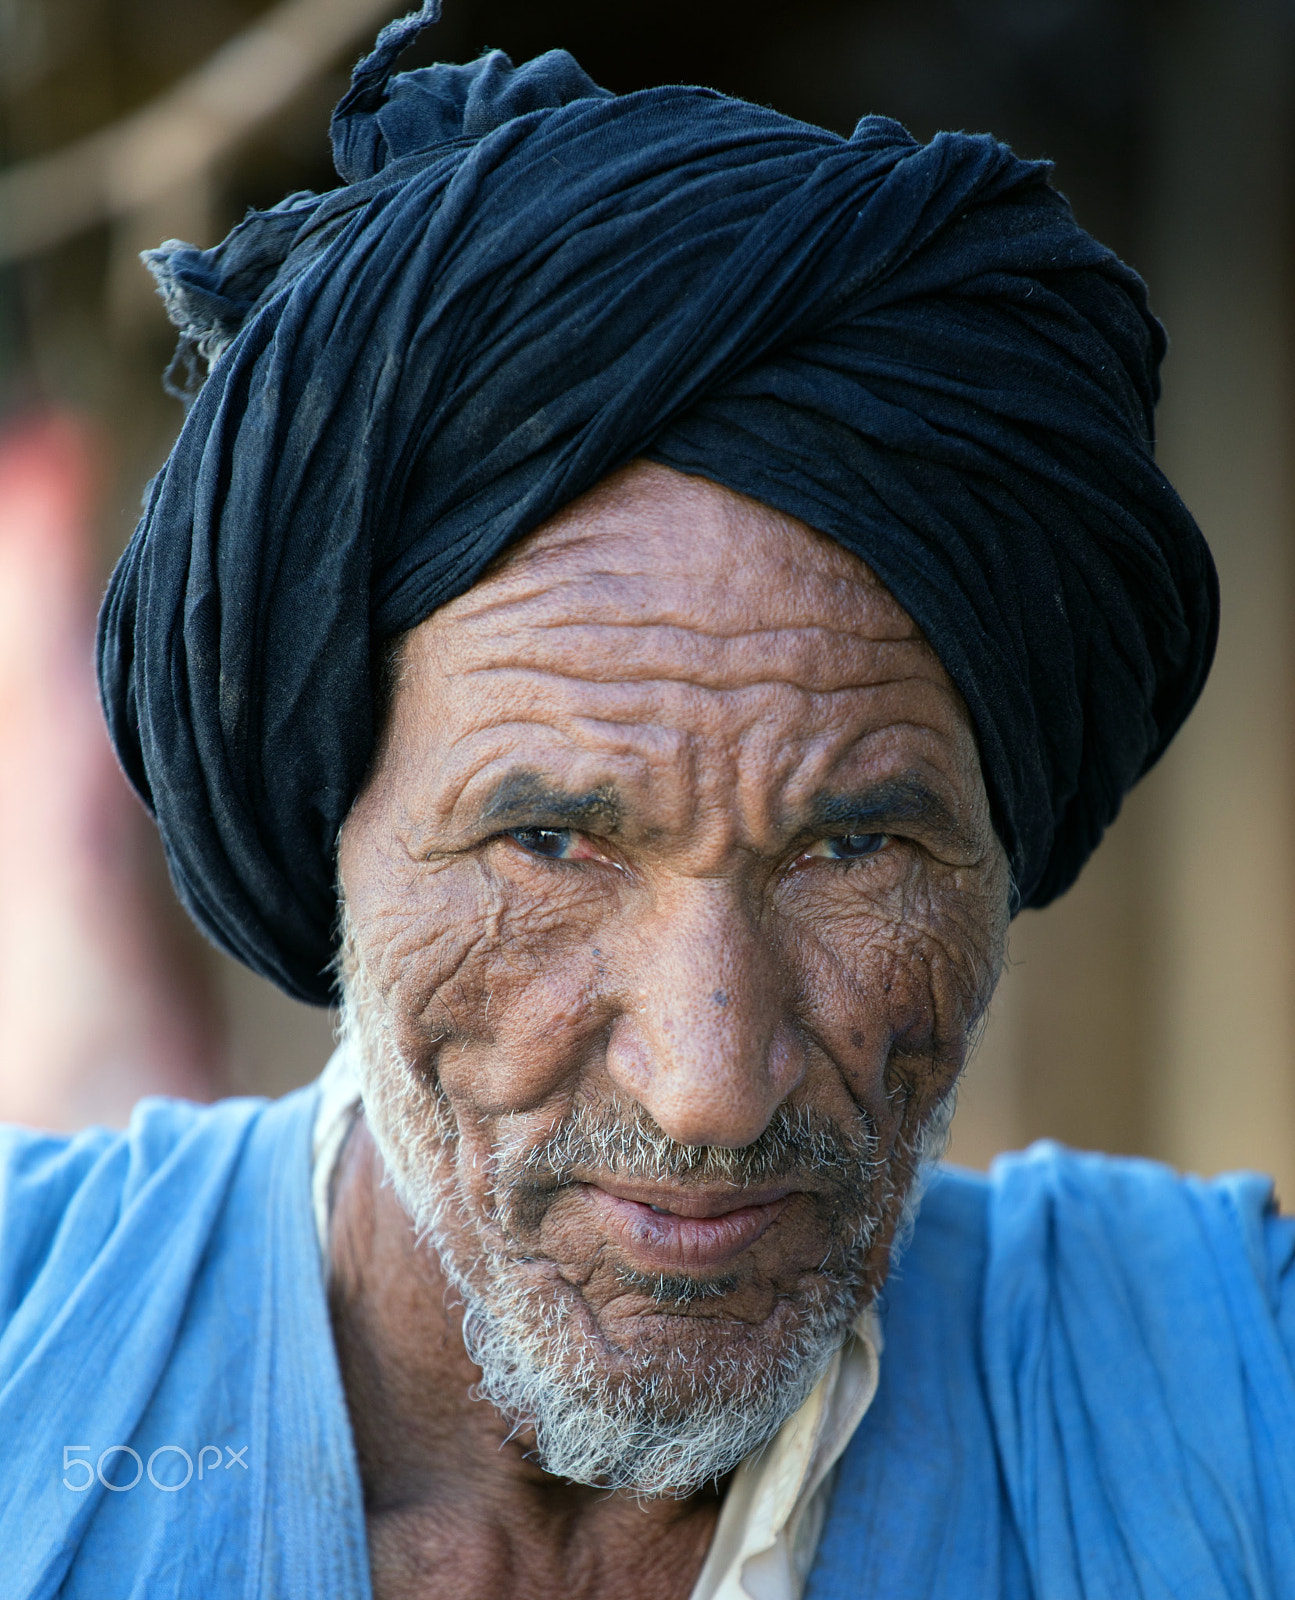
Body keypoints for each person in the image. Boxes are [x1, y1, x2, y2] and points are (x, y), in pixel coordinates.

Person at [3, 4, 1291, 1597]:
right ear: (324, 814)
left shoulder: (1238, 1400)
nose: (709, 1089)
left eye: (855, 848)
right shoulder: (27, 1374)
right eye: (551, 842)